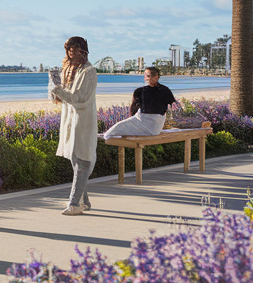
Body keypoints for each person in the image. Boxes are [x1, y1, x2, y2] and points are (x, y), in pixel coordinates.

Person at [49, 36, 98, 216]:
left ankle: (74, 203)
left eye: (75, 48)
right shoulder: (69, 70)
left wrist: (57, 88)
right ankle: (84, 201)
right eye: (69, 48)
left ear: (83, 50)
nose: (71, 52)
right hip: (69, 120)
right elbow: (58, 98)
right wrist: (54, 85)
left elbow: (80, 99)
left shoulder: (88, 71)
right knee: (75, 159)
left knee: (82, 161)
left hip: (82, 121)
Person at [104, 67, 177, 138]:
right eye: (148, 76)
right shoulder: (163, 89)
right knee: (116, 129)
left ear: (158, 77)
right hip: (151, 125)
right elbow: (173, 106)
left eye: (152, 75)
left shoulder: (160, 90)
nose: (150, 78)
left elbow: (133, 110)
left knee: (112, 132)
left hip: (151, 123)